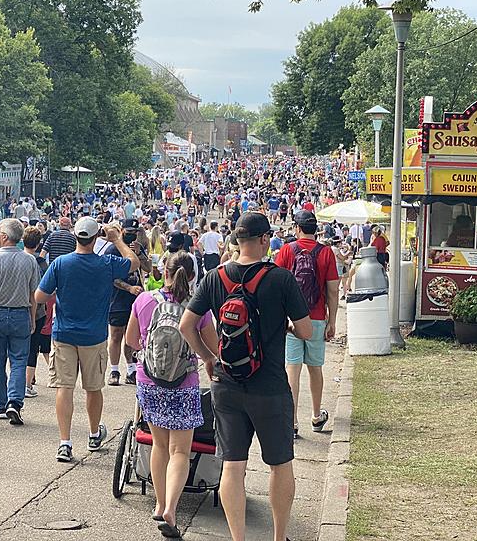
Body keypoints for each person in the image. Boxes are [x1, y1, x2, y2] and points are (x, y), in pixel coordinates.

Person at [179, 211, 312, 541]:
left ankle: (238, 538)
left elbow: (186, 326)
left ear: (237, 241)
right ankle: (279, 537)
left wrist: (208, 357)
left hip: (226, 384)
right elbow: (307, 331)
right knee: (280, 464)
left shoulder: (214, 277)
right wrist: (288, 326)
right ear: (265, 239)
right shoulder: (280, 279)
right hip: (270, 386)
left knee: (233, 465)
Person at [126, 251, 217, 537]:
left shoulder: (144, 300)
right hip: (184, 383)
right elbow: (213, 347)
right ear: (192, 277)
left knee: (159, 445)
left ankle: (159, 502)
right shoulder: (198, 309)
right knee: (180, 450)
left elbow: (130, 341)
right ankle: (171, 510)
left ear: (163, 271)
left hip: (149, 381)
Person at [34, 218, 139, 463]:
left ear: (76, 237)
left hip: (64, 333)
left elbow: (40, 296)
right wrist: (116, 239)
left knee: (64, 387)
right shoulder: (106, 263)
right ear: (95, 238)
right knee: (93, 387)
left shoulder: (61, 263)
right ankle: (93, 433)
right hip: (93, 335)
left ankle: (65, 442)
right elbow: (133, 263)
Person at [274, 210, 340, 438]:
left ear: (297, 228)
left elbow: (277, 287)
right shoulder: (326, 253)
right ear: (315, 230)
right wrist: (332, 321)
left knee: (292, 369)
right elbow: (333, 290)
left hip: (292, 319)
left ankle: (291, 421)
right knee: (315, 368)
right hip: (317, 318)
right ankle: (315, 415)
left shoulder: (286, 251)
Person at [0, 219, 39, 425]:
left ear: (4, 236)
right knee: (19, 360)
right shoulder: (29, 260)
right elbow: (33, 295)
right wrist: (32, 318)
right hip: (21, 313)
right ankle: (15, 401)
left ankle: (0, 405)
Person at [103, 218, 149, 386]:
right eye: (129, 232)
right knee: (116, 335)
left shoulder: (137, 248)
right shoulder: (112, 250)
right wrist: (129, 288)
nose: (132, 236)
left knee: (132, 337)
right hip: (117, 299)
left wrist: (140, 253)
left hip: (136, 300)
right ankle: (114, 370)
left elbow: (148, 268)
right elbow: (111, 277)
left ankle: (131, 369)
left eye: (135, 233)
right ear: (122, 231)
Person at [23, 226, 51, 398]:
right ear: (39, 243)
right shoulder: (41, 263)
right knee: (33, 348)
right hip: (38, 309)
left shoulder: (18, 258)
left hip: (17, 306)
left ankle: (18, 380)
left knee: (19, 348)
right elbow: (47, 287)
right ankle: (27, 383)